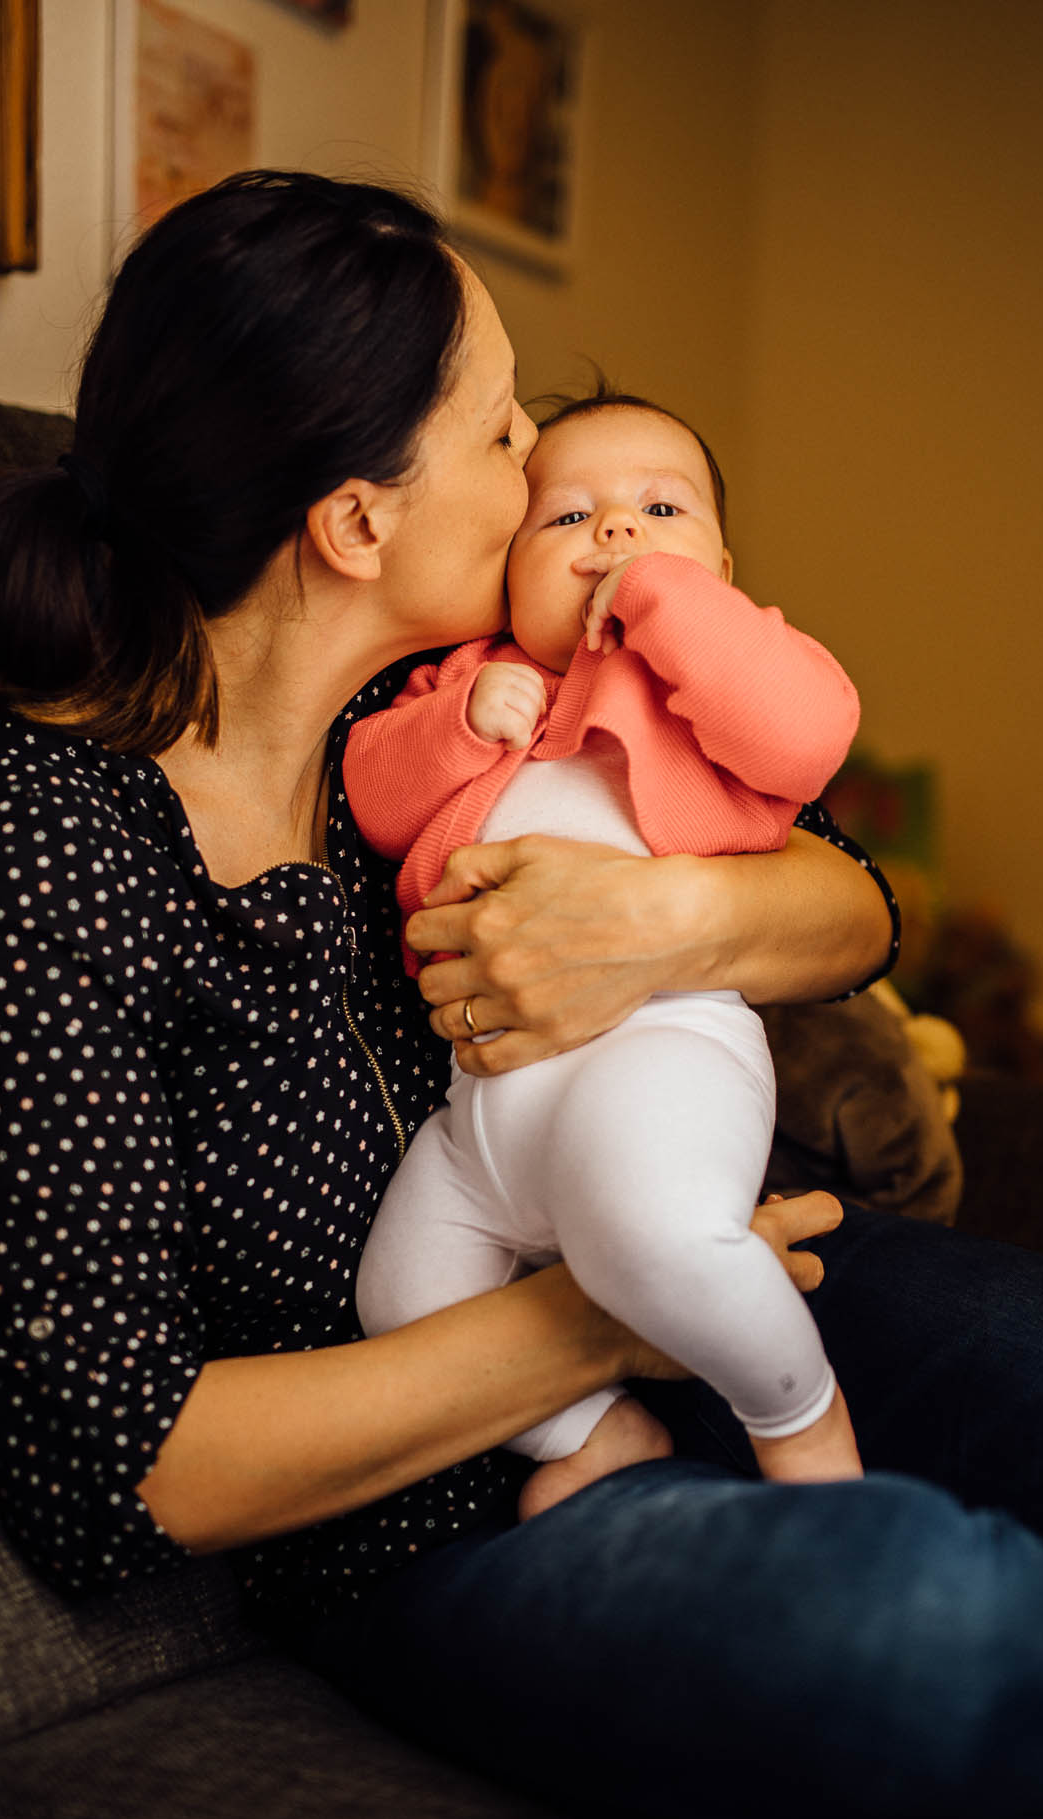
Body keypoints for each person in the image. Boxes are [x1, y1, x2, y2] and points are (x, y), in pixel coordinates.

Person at [0, 170, 1043, 1819]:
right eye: (497, 424)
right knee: (941, 1645)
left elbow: (844, 901)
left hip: (752, 1274)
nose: (542, 466)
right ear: (355, 524)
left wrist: (672, 923)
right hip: (431, 1515)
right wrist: (613, 1314)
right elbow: (122, 1464)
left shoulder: (441, 695)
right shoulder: (45, 838)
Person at [346, 392, 864, 1513]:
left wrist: (668, 605)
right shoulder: (469, 676)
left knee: (656, 1235)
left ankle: (804, 1425)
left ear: (722, 564)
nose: (615, 532)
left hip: (659, 1050)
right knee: (399, 1294)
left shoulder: (710, 697)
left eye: (660, 508)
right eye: (566, 517)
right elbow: (375, 796)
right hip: (480, 1124)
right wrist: (462, 718)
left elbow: (808, 733)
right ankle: (594, 1434)